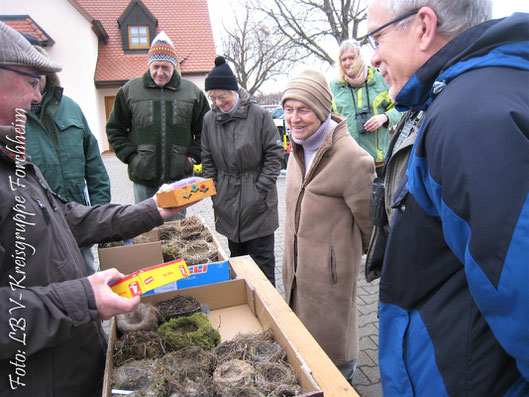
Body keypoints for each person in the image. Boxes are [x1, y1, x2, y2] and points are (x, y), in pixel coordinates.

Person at [0, 22, 194, 396]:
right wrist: (83, 298)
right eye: (30, 81)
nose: (38, 97)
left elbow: (69, 220)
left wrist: (152, 209)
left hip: (73, 365)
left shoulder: (14, 159)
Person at [366, 0, 529, 395]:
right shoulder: (477, 93)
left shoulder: (468, 117)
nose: (373, 58)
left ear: (423, 26)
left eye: (376, 38)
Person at [281, 69, 375, 383]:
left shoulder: (353, 159)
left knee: (333, 359)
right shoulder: (295, 150)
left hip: (331, 282)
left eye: (303, 109)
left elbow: (370, 228)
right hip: (295, 272)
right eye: (288, 109)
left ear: (322, 111)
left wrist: (336, 258)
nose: (294, 118)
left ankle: (344, 379)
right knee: (303, 349)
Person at [25, 44, 111, 275]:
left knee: (86, 280)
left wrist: (101, 215)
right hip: (33, 229)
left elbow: (95, 168)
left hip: (76, 222)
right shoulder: (9, 114)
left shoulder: (71, 108)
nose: (34, 80)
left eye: (38, 71)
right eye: (27, 73)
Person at [106, 30, 210, 219]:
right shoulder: (130, 90)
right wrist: (131, 157)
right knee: (145, 227)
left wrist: (192, 157)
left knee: (176, 232)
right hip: (143, 178)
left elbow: (205, 131)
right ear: (149, 65)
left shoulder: (192, 93)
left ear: (174, 66)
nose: (159, 72)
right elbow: (115, 129)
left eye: (165, 67)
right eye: (155, 66)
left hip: (177, 179)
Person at [201, 56, 282, 285]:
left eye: (222, 96)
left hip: (258, 201)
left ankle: (269, 314)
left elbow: (274, 154)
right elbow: (207, 158)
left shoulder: (258, 115)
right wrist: (213, 189)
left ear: (233, 90)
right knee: (239, 264)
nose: (218, 102)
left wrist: (262, 187)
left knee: (262, 264)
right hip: (227, 200)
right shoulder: (209, 120)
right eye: (213, 97)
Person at [330, 39, 402, 177]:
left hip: (378, 162)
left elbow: (401, 108)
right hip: (347, 161)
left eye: (351, 58)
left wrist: (384, 118)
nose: (347, 63)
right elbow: (327, 118)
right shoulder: (334, 87)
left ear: (360, 58)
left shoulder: (380, 80)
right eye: (343, 59)